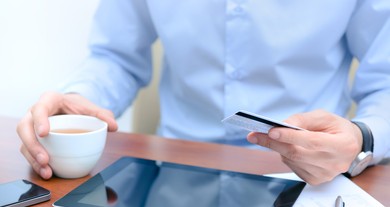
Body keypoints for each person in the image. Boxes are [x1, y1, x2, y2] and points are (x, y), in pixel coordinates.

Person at [17, 0, 390, 185]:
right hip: (174, 176)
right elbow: (115, 56)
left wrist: (363, 138)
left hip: (310, 178)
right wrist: (77, 102)